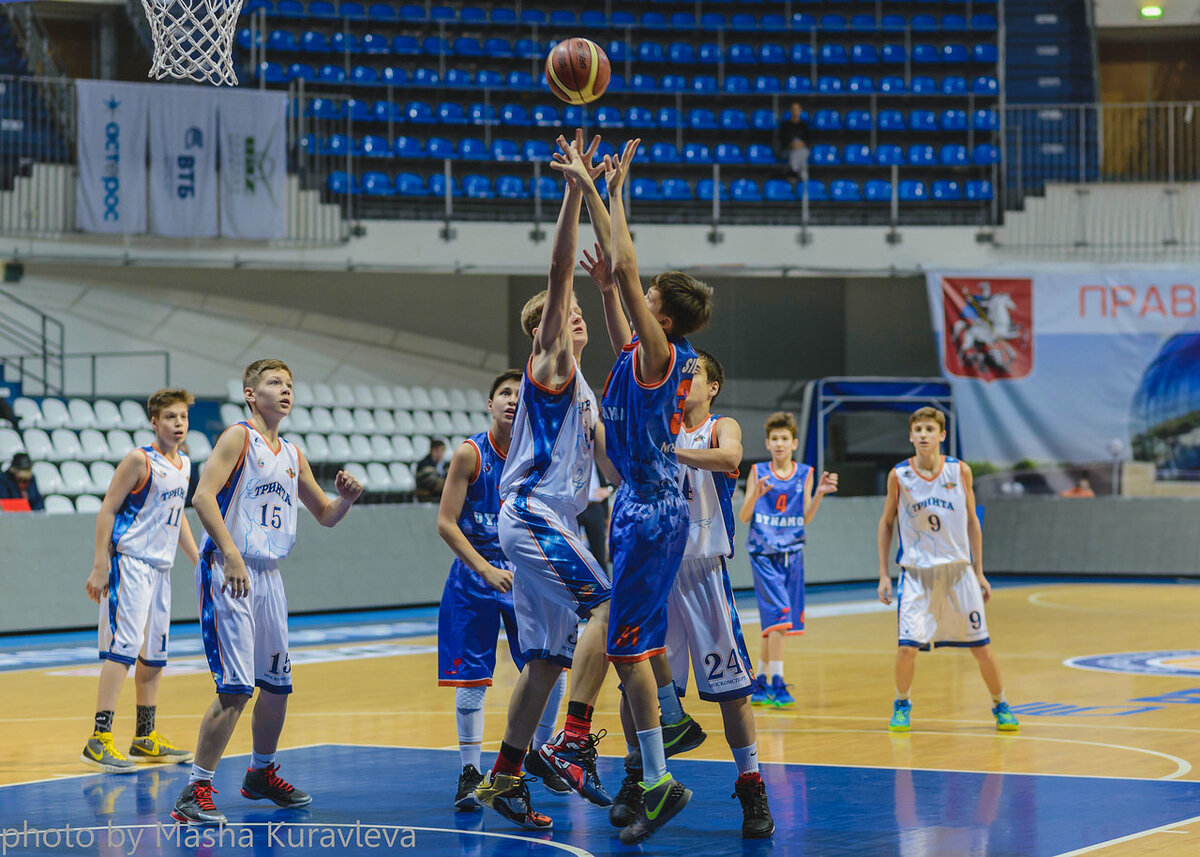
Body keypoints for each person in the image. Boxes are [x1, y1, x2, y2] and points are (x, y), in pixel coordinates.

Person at [569, 134, 713, 845]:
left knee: (622, 645)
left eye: (648, 297)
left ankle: (650, 773)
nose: (638, 291)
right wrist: (606, 283)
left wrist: (597, 188)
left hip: (654, 514)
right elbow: (619, 288)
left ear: (667, 317)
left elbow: (625, 263)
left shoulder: (666, 355)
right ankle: (668, 735)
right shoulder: (638, 350)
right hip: (634, 509)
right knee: (632, 643)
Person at [474, 132, 616, 832]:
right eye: (569, 313)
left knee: (548, 659)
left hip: (553, 518)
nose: (577, 316)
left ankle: (505, 772)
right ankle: (572, 737)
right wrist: (571, 192)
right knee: (613, 610)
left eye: (584, 315)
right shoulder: (551, 363)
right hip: (532, 514)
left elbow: (611, 471)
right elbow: (562, 271)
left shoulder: (587, 389)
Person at [170, 359, 363, 826]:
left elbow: (324, 514)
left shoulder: (293, 454)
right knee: (236, 688)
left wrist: (347, 500)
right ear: (251, 394)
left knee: (277, 686)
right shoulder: (237, 437)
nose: (285, 390)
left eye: (290, 384)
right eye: (274, 383)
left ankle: (260, 773)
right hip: (230, 570)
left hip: (269, 575)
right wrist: (231, 552)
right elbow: (201, 497)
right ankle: (195, 790)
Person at [611, 350, 775, 839]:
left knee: (732, 691)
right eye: (680, 372)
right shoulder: (659, 420)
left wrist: (669, 451)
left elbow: (731, 458)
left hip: (703, 571)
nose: (684, 377)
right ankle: (639, 778)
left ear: (713, 386)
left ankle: (751, 785)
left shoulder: (719, 426)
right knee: (632, 678)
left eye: (694, 372)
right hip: (656, 566)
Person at [436, 370, 570, 811]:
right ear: (489, 405)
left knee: (549, 666)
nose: (513, 399)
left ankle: (541, 751)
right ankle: (469, 770)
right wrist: (483, 569)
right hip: (476, 575)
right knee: (473, 678)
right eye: (505, 393)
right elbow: (446, 523)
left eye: (520, 394)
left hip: (527, 571)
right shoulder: (469, 454)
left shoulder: (540, 455)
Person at [876, 406, 1019, 733]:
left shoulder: (959, 471)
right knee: (906, 647)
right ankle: (902, 702)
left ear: (942, 435)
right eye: (918, 430)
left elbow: (972, 521)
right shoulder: (899, 475)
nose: (924, 435)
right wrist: (884, 573)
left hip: (958, 572)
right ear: (910, 436)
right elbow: (886, 523)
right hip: (916, 573)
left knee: (981, 647)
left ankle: (1001, 704)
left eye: (930, 429)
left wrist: (979, 571)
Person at [81, 389, 200, 774]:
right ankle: (99, 739)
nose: (178, 424)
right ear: (155, 421)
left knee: (154, 653)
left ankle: (144, 737)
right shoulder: (138, 460)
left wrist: (197, 559)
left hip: (161, 569)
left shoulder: (184, 464)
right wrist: (101, 565)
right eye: (170, 417)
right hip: (130, 563)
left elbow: (177, 513)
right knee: (125, 649)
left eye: (182, 417)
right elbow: (107, 509)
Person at [737, 413, 837, 708]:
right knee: (780, 620)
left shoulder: (805, 473)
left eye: (785, 439)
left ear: (794, 443)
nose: (779, 444)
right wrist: (754, 494)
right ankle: (777, 685)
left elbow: (804, 518)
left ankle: (758, 683)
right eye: (775, 439)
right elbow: (744, 516)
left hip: (792, 553)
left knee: (775, 624)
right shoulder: (758, 471)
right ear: (768, 443)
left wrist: (818, 494)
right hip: (764, 553)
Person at [780, 102, 811, 180]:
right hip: (788, 151)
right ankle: (803, 175)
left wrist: (800, 144)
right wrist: (792, 144)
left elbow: (808, 141)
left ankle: (794, 171)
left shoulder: (804, 125)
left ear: (800, 111)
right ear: (791, 111)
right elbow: (782, 140)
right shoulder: (785, 125)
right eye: (794, 109)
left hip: (803, 149)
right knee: (797, 153)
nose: (795, 111)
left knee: (801, 152)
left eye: (797, 109)